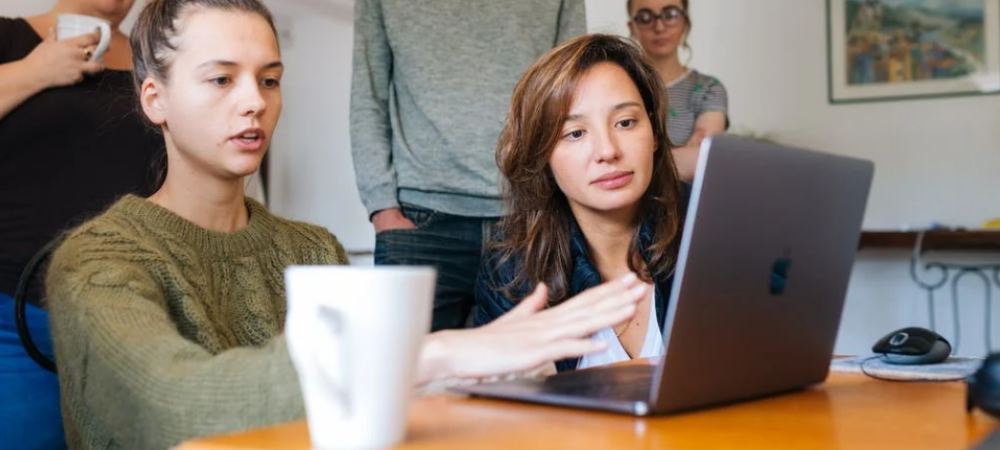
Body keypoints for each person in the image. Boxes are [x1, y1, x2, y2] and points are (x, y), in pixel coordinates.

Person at [44, 2, 647, 449]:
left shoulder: (312, 249)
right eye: (222, 78)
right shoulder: (95, 263)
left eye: (270, 79)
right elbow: (176, 405)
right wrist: (430, 354)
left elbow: (369, 424)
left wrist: (493, 377)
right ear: (155, 99)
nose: (254, 101)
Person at [350, 0, 587, 331]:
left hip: (528, 218)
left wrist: (561, 205)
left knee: (524, 378)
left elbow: (574, 94)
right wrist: (382, 207)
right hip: (418, 223)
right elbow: (367, 96)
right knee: (407, 377)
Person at [0, 1, 161, 448]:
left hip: (126, 323)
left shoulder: (155, 61)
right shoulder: (9, 39)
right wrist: (36, 71)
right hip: (12, 321)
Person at [475, 34, 687, 373]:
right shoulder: (512, 271)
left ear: (655, 134)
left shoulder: (709, 233)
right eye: (575, 133)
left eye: (625, 122)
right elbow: (497, 415)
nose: (607, 151)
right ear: (542, 156)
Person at [627, 0, 727, 181]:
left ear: (685, 23)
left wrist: (632, 165)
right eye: (645, 17)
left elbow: (703, 161)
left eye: (670, 14)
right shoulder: (620, 88)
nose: (659, 26)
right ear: (632, 27)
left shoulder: (708, 89)